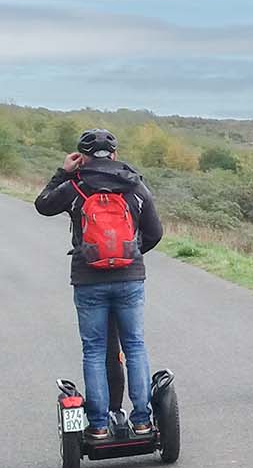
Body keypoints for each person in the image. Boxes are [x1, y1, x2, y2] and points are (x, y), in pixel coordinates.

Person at [34, 128, 164, 439]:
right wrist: (128, 254)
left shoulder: (75, 186)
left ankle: (99, 426)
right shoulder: (135, 186)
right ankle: (143, 420)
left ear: (83, 157)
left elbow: (42, 204)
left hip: (88, 278)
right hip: (129, 278)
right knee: (134, 346)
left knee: (93, 350)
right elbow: (155, 233)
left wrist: (61, 173)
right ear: (115, 155)